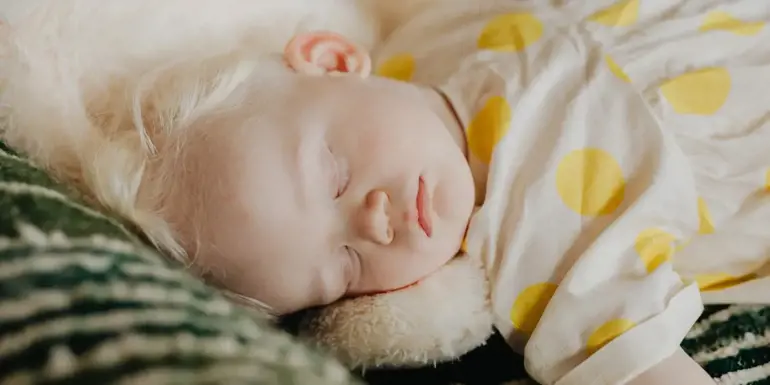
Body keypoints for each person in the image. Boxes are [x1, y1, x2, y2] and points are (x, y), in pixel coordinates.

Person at [4, 0, 769, 383]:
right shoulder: (537, 255)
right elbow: (637, 364)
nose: (372, 223)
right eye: (344, 265)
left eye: (333, 173)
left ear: (333, 60)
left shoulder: (427, 34)